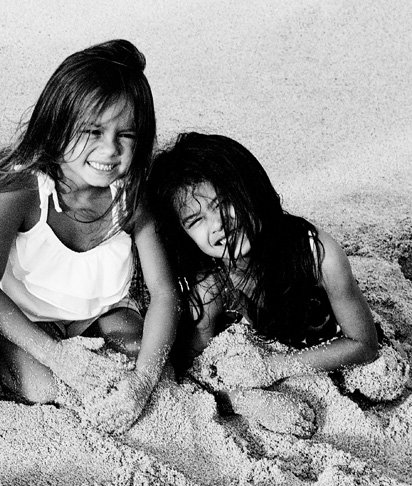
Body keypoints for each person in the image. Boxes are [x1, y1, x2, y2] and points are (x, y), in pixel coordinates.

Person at [0, 40, 178, 434]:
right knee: (41, 385)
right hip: (30, 323)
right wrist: (58, 357)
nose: (110, 149)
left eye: (126, 135)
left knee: (142, 359)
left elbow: (164, 294)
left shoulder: (132, 200)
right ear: (57, 125)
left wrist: (142, 382)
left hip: (103, 316)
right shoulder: (22, 189)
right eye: (93, 131)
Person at [149, 132, 408, 435]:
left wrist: (273, 367)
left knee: (385, 377)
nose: (217, 224)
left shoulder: (317, 253)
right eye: (196, 221)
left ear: (251, 190)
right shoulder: (211, 281)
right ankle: (239, 400)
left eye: (224, 203)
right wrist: (242, 387)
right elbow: (194, 362)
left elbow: (365, 344)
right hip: (260, 351)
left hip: (320, 341)